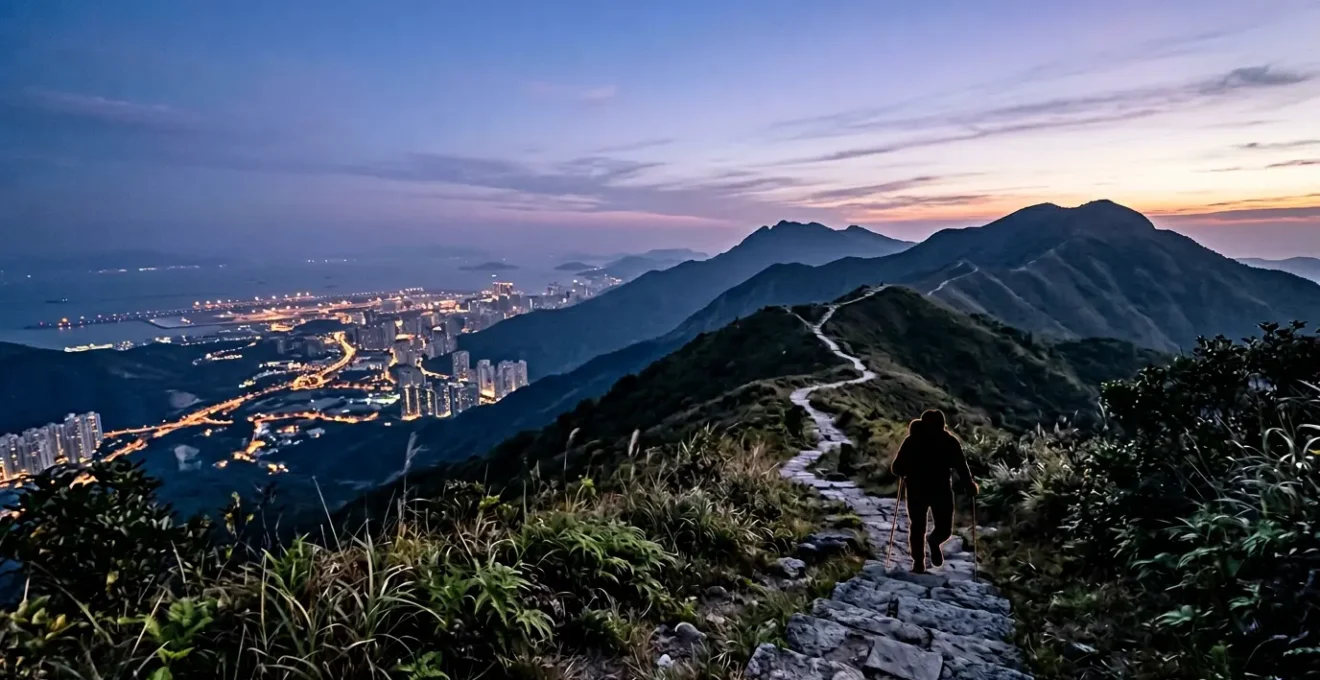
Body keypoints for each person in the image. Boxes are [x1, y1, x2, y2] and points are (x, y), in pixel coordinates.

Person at [890, 409, 977, 573]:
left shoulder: (914, 440)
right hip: (939, 489)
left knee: (919, 527)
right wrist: (969, 484)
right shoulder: (948, 441)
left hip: (920, 489)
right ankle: (924, 555)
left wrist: (904, 470)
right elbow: (961, 465)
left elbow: (896, 468)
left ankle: (925, 553)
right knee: (938, 528)